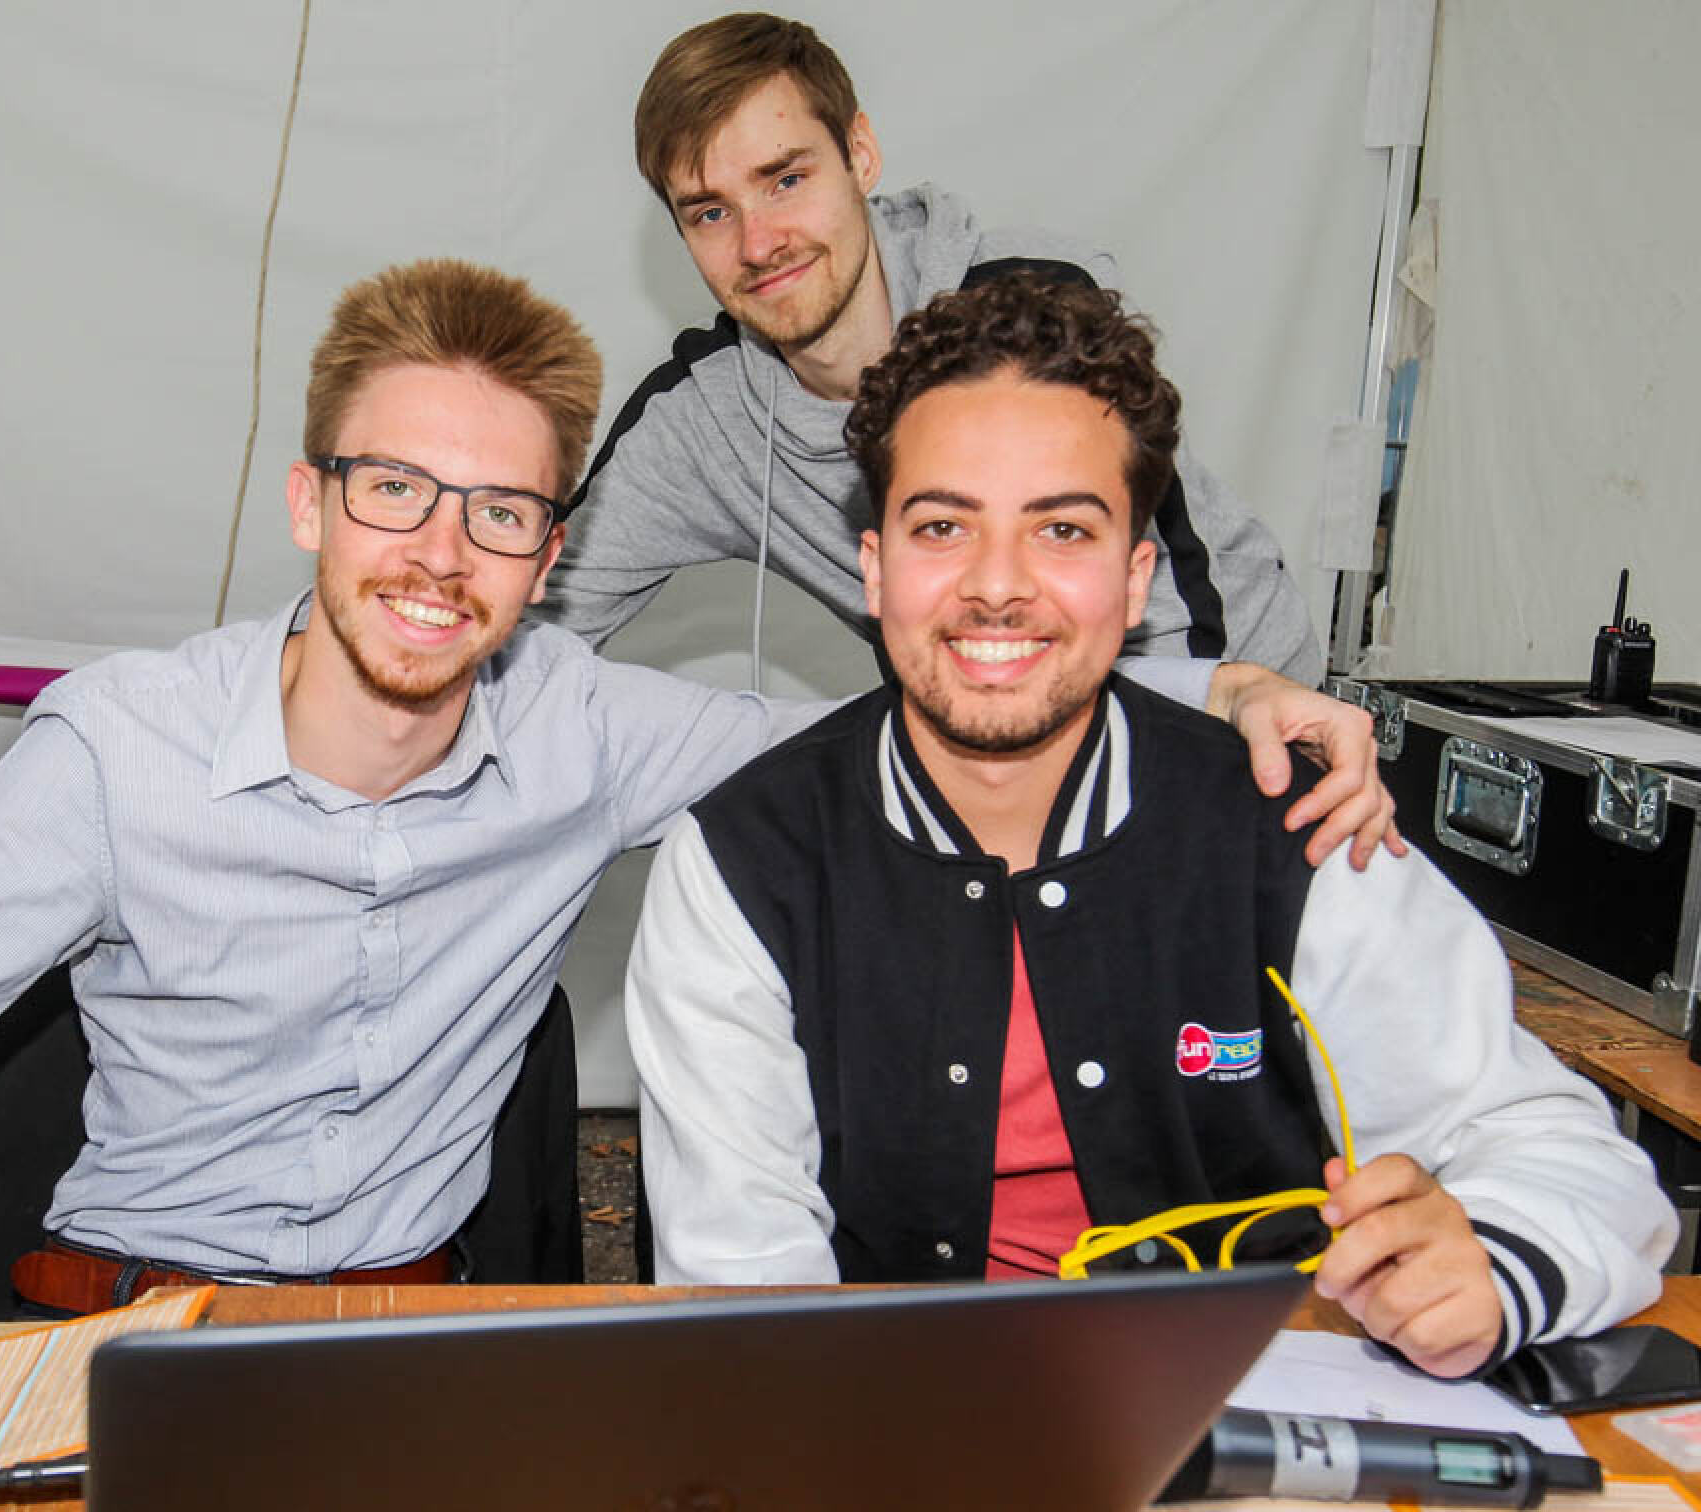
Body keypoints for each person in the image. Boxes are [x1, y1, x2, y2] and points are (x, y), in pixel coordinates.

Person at [0, 259, 820, 1425]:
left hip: (409, 1349)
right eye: (395, 488)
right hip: (127, 1342)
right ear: (309, 503)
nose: (442, 553)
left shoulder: (586, 730)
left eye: (500, 512)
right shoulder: (122, 751)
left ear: (545, 561)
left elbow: (864, 753)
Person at [624, 271, 1674, 1378]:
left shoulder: (1294, 830)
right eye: (942, 526)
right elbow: (746, 1280)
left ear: (1134, 582)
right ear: (875, 569)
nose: (997, 586)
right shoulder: (741, 866)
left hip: (1261, 1411)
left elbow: (1566, 1159)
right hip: (892, 1412)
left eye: (1060, 529)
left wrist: (1487, 1270)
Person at [537, 12, 1398, 866]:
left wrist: (1227, 721)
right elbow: (524, 621)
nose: (759, 243)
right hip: (1002, 737)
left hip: (1244, 717)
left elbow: (1173, 629)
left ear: (860, 154)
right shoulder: (701, 421)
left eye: (786, 179)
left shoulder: (1033, 311)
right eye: (709, 212)